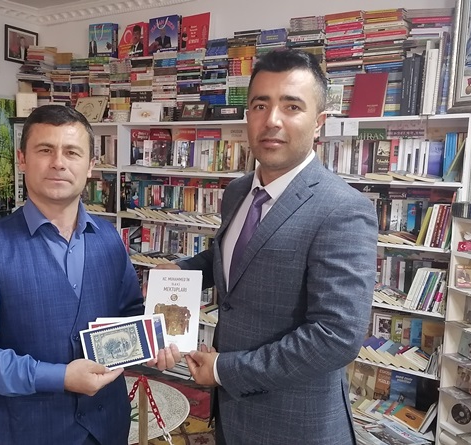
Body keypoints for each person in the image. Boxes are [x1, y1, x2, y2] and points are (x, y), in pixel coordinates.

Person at [157, 50, 377, 444]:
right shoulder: (238, 190)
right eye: (261, 105)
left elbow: (335, 336)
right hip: (232, 418)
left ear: (319, 122)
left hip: (295, 426)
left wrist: (224, 370)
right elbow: (234, 257)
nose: (272, 120)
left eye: (292, 106)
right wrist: (184, 270)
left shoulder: (343, 209)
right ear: (248, 116)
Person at [0, 105, 180, 445]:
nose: (58, 162)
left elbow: (129, 315)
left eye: (72, 152)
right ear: (22, 159)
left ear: (90, 165)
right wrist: (57, 377)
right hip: (27, 432)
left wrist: (159, 340)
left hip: (109, 426)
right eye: (45, 150)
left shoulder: (110, 239)